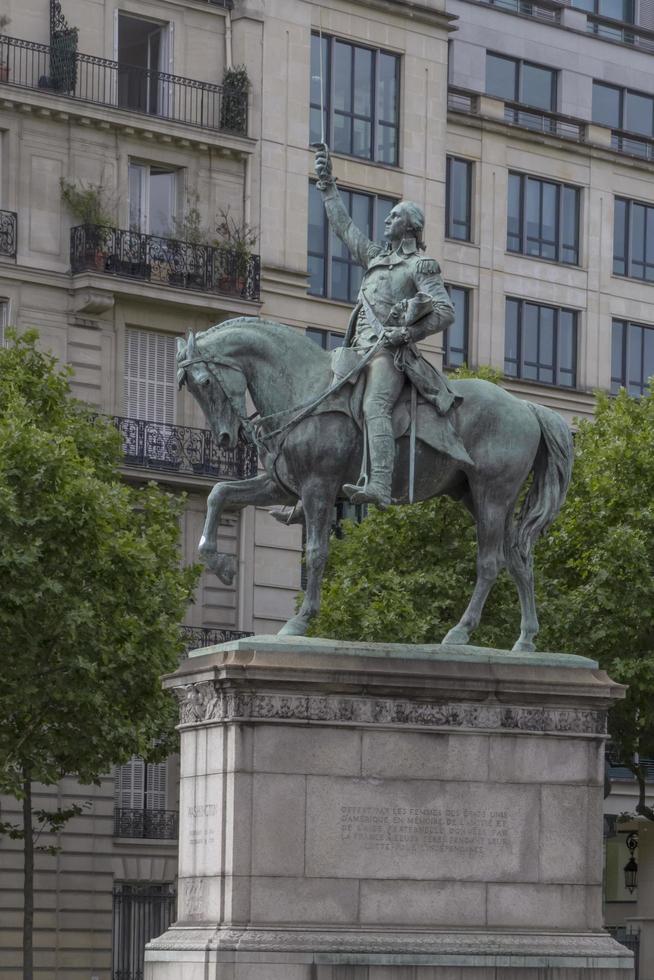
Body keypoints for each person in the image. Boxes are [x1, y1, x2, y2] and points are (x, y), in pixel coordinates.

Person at [313, 143, 458, 508]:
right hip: (356, 350)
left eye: (393, 217)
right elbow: (344, 228)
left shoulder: (421, 266)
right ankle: (312, 482)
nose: (385, 221)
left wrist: (407, 333)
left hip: (388, 355)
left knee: (375, 405)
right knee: (323, 401)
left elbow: (445, 311)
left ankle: (378, 484)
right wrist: (328, 185)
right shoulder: (376, 257)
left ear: (409, 225)